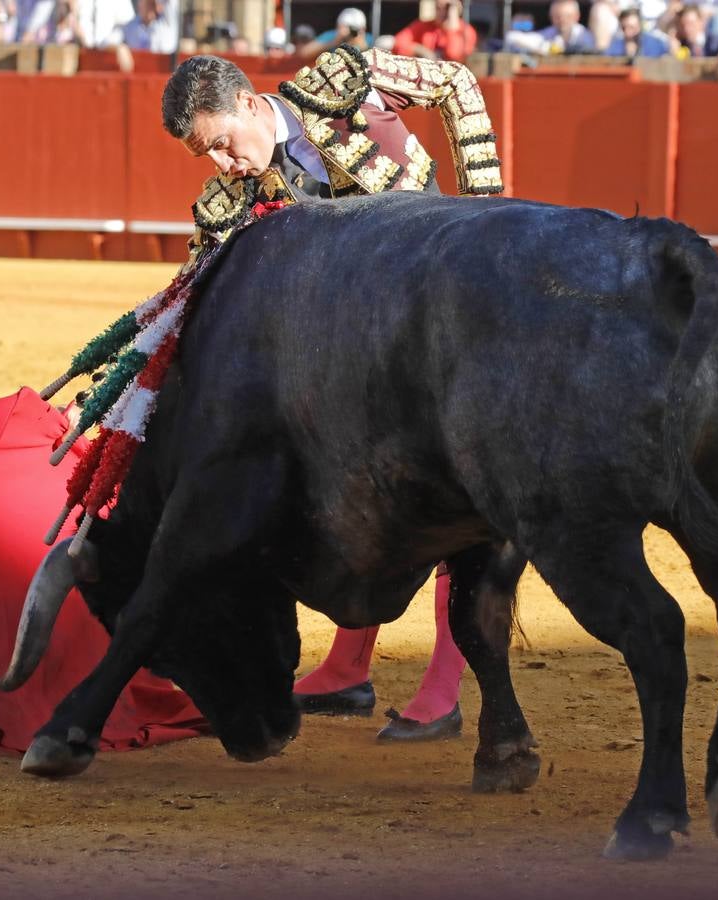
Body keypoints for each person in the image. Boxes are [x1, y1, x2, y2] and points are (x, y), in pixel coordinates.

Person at [161, 46, 502, 739]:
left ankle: (443, 686)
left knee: (451, 493)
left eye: (224, 143)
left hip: (439, 316)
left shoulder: (341, 81)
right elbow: (196, 299)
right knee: (361, 498)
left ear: (252, 106)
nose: (225, 166)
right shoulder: (229, 198)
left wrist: (485, 215)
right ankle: (348, 670)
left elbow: (453, 80)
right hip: (351, 358)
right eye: (209, 157)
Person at [392, 0, 477, 62]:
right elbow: (397, 43)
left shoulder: (466, 31)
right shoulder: (423, 26)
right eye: (438, 8)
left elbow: (454, 56)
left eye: (446, 8)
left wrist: (451, 29)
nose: (442, 12)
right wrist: (420, 50)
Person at [505, 0, 595, 55]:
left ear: (577, 16)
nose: (562, 20)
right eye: (557, 16)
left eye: (567, 16)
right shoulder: (548, 34)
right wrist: (545, 48)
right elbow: (511, 37)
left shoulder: (585, 36)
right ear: (551, 17)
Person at [300, 6, 373, 57]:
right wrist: (334, 42)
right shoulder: (332, 35)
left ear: (364, 29)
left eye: (355, 29)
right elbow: (304, 53)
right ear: (338, 26)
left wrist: (362, 45)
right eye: (347, 27)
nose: (351, 32)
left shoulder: (368, 38)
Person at [605, 7, 672, 55]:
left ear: (639, 26)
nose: (627, 32)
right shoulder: (616, 45)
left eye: (631, 27)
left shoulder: (654, 44)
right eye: (623, 28)